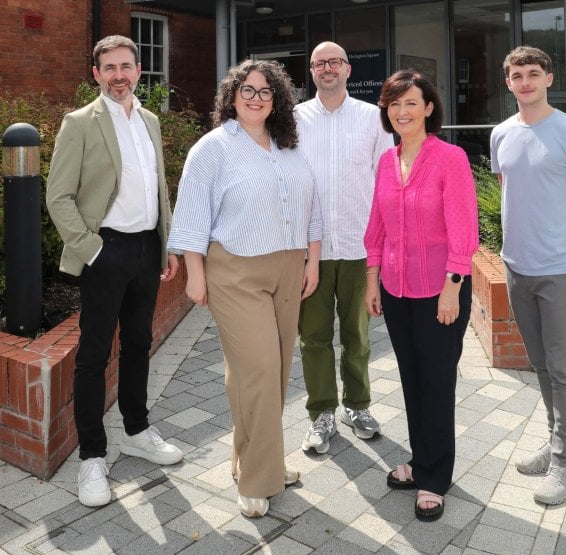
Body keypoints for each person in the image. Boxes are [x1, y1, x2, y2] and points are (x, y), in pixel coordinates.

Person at [168, 59, 321, 518]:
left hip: (289, 266)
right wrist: (195, 274)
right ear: (232, 96)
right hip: (235, 270)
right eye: (247, 90)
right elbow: (191, 212)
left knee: (274, 372)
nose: (256, 98)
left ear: (278, 100)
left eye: (265, 91)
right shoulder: (213, 147)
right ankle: (259, 478)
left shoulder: (288, 146)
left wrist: (312, 260)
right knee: (258, 370)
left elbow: (311, 205)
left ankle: (251, 458)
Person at [46, 35, 184, 509]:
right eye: (110, 68)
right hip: (106, 251)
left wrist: (166, 245)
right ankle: (91, 456)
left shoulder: (149, 120)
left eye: (126, 66)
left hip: (147, 248)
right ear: (96, 74)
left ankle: (136, 430)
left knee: (139, 344)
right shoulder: (80, 123)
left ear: (139, 71)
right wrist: (92, 250)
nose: (119, 75)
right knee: (93, 353)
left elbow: (159, 190)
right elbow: (58, 196)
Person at [490, 46, 566, 506]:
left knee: (563, 369)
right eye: (517, 75)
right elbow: (510, 190)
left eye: (533, 73)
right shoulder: (502, 134)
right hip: (516, 267)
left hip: (560, 269)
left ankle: (565, 464)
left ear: (548, 78)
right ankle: (554, 439)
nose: (525, 82)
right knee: (540, 364)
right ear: (508, 82)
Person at [364, 70, 479, 521]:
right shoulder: (386, 161)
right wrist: (372, 280)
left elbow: (463, 230)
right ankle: (420, 459)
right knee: (412, 379)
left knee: (436, 381)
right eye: (394, 104)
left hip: (440, 291)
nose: (402, 111)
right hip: (396, 290)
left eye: (411, 102)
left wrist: (453, 288)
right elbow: (377, 226)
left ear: (429, 108)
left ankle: (434, 477)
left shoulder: (450, 158)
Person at [295, 41, 394, 454]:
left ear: (348, 69)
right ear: (311, 71)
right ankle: (321, 412)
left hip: (359, 247)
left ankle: (357, 405)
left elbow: (387, 182)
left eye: (335, 62)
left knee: (357, 336)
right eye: (320, 63)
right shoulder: (294, 120)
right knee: (313, 337)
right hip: (310, 251)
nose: (328, 68)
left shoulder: (373, 118)